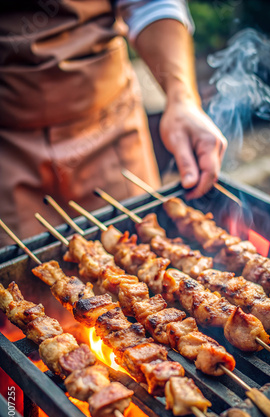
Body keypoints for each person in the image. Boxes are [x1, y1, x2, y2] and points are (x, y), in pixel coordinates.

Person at [0, 0, 227, 246]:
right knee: (21, 275)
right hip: (8, 149)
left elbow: (150, 4)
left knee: (146, 241)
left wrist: (182, 99)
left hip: (109, 128)